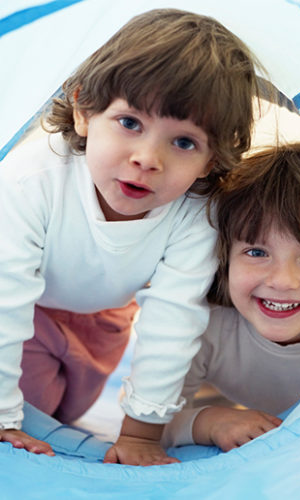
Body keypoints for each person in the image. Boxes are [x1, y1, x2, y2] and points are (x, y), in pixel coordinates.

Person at [0, 8, 261, 465]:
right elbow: (5, 297)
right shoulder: (32, 180)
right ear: (84, 112)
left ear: (211, 159)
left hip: (104, 318)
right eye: (130, 123)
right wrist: (4, 416)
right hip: (30, 308)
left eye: (183, 143)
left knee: (69, 408)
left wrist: (142, 434)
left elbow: (174, 319)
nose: (147, 158)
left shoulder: (195, 212)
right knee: (32, 407)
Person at [162, 142, 300, 452]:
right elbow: (141, 424)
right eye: (256, 252)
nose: (282, 281)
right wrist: (209, 422)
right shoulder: (201, 326)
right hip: (219, 399)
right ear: (223, 259)